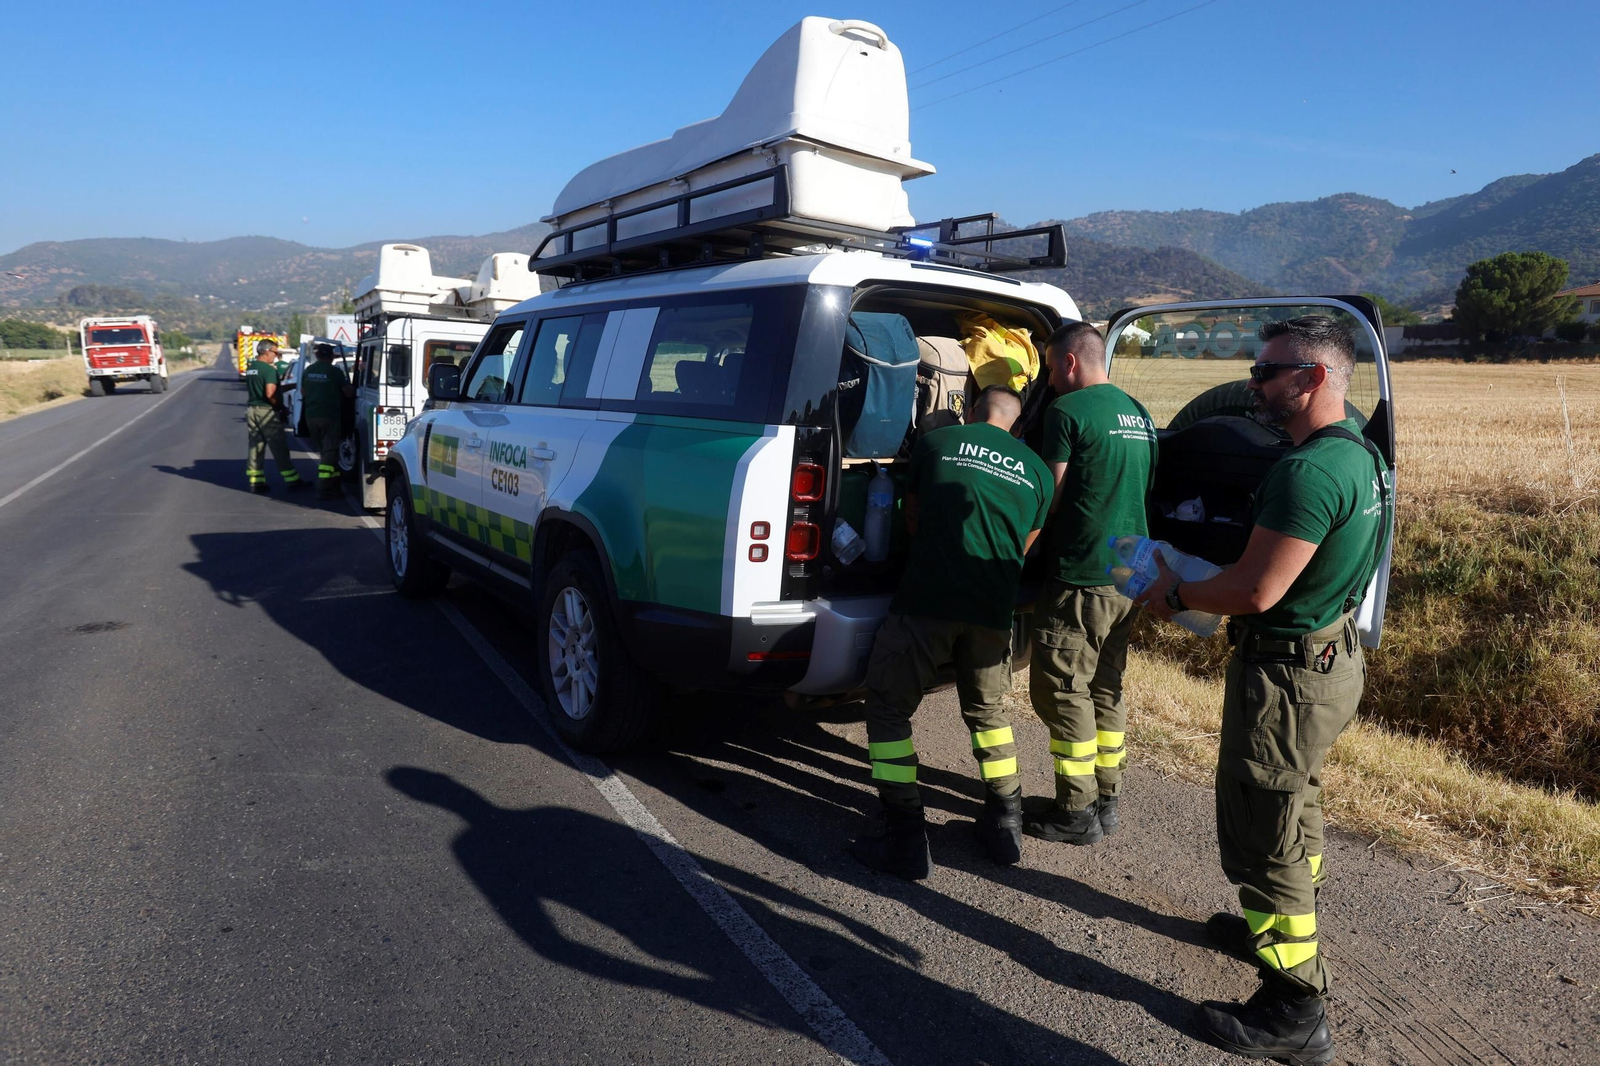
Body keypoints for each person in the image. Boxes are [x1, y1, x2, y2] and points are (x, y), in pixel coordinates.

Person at [1134, 315, 1390, 1064]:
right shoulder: (1361, 456)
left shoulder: (1305, 472)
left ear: (1312, 378)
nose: (1252, 382)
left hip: (1284, 675)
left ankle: (1293, 1005)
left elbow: (1255, 591)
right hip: (1329, 661)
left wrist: (1175, 595)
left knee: (1265, 830)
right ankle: (1271, 931)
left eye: (1266, 370)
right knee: (1297, 804)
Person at [850, 385, 1053, 879]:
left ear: (970, 413)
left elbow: (912, 516)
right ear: (1018, 424)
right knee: (988, 713)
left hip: (927, 602)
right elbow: (1027, 543)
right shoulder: (1039, 471)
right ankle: (1005, 826)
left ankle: (904, 837)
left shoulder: (937, 445)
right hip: (992, 611)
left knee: (889, 709)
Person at [1024, 321, 1156, 846]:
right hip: (1134, 570)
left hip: (1083, 574)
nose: (1050, 381)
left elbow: (1048, 494)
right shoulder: (1138, 413)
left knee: (1060, 688)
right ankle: (1107, 797)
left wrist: (1018, 549)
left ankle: (1075, 811)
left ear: (1071, 362)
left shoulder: (1066, 412)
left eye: (1052, 368)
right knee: (1106, 684)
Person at [244, 340, 305, 493]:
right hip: (267, 412)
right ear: (267, 351)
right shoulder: (269, 370)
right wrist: (281, 407)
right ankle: (293, 480)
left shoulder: (252, 368)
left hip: (252, 410)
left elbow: (263, 388)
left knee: (256, 447)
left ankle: (255, 482)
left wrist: (288, 387)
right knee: (279, 446)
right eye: (275, 353)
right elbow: (270, 393)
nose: (276, 356)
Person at [298, 343, 355, 498]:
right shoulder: (334, 371)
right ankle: (322, 489)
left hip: (311, 417)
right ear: (331, 356)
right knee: (328, 455)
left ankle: (335, 487)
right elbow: (348, 394)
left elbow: (303, 392)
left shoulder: (308, 370)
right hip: (329, 417)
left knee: (327, 453)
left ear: (317, 356)